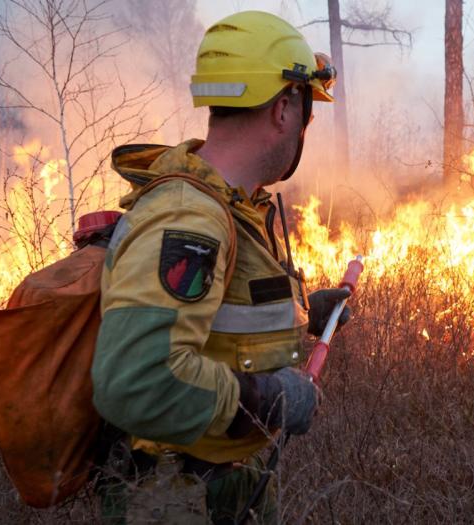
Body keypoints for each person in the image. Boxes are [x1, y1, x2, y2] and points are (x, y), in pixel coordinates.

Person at [91, 11, 348, 524]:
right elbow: (138, 381)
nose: (305, 125)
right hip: (174, 497)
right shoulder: (189, 218)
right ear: (283, 108)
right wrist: (272, 398)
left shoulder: (228, 205)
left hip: (215, 488)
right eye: (306, 110)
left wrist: (305, 319)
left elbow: (218, 329)